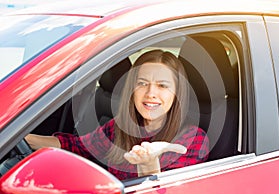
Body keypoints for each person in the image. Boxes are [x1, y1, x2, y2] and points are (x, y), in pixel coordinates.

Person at [25, 49, 209, 180]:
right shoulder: (119, 126)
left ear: (177, 93)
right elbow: (77, 146)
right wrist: (23, 139)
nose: (150, 93)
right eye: (142, 83)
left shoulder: (192, 140)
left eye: (162, 85)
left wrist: (149, 165)